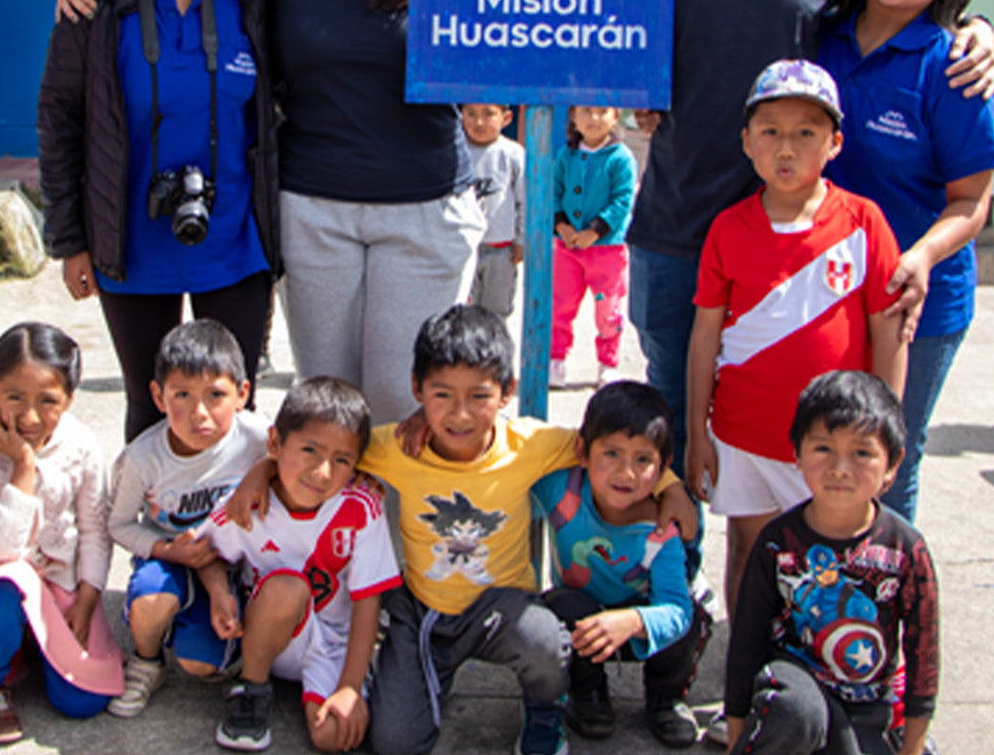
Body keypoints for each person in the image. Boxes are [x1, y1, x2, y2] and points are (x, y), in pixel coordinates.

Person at [610, 0, 994, 471]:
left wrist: (975, 28)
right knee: (672, 436)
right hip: (680, 227)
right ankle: (677, 579)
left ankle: (793, 581)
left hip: (803, 245)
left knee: (809, 446)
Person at [58, 0, 483, 426]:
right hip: (316, 209)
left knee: (403, 403)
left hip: (423, 207)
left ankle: (388, 531)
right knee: (326, 404)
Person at [225, 304, 698, 755]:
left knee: (542, 637)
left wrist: (671, 484)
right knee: (394, 743)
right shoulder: (395, 447)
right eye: (442, 395)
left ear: (507, 391)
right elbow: (319, 449)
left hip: (502, 607)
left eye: (479, 396)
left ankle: (546, 711)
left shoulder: (531, 444)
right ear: (417, 388)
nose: (460, 414)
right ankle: (428, 676)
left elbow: (611, 444)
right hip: (425, 609)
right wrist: (263, 469)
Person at [38, 0, 279, 443]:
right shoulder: (91, 1)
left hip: (235, 241)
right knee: (153, 413)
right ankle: (154, 538)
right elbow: (60, 118)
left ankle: (231, 540)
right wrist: (70, 239)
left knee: (230, 413)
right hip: (130, 239)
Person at [687, 59, 906, 629]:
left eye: (806, 132)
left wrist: (880, 428)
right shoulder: (728, 229)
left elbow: (888, 328)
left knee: (831, 563)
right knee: (750, 553)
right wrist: (696, 433)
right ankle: (748, 665)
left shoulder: (864, 222)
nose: (787, 148)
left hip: (834, 443)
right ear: (747, 143)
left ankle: (822, 663)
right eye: (771, 132)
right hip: (743, 431)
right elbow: (705, 335)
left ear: (835, 143)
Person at [819, 0, 994, 524]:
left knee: (887, 456)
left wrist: (918, 258)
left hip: (916, 298)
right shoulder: (823, 37)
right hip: (828, 289)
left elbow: (973, 199)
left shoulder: (953, 65)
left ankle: (883, 603)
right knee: (820, 450)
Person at [723, 371, 939, 755]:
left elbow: (923, 652)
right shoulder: (776, 543)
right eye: (823, 448)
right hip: (796, 691)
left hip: (869, 703)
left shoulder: (906, 550)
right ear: (797, 453)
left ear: (892, 464)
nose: (840, 468)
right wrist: (739, 734)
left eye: (861, 453)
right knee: (795, 710)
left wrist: (914, 745)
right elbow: (746, 641)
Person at [194, 376, 400, 752]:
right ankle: (252, 691)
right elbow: (205, 552)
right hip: (267, 637)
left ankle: (316, 688)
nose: (323, 472)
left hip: (332, 640)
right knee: (288, 588)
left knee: (336, 737)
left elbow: (367, 598)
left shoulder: (362, 506)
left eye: (342, 460)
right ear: (275, 443)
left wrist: (351, 687)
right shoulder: (247, 504)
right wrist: (219, 591)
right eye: (309, 450)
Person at [0, 322, 123, 745]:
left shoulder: (80, 444)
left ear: (70, 400)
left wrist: (89, 595)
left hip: (58, 578)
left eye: (48, 401)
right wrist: (22, 465)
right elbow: (1, 547)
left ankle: (35, 641)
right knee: (11, 583)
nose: (30, 416)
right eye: (14, 398)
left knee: (82, 702)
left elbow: (94, 528)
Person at [105, 318, 272, 718]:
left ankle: (202, 625)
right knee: (152, 598)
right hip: (171, 557)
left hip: (234, 564)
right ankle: (147, 660)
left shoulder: (260, 437)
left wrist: (265, 468)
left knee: (202, 665)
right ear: (158, 397)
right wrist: (166, 549)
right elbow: (119, 524)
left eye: (216, 394)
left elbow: (302, 457)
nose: (200, 413)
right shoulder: (143, 457)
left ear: (242, 394)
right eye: (182, 395)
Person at [536, 381, 710, 747]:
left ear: (664, 467)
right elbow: (507, 448)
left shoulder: (661, 529)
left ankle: (666, 699)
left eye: (643, 460)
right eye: (611, 453)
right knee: (561, 606)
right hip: (584, 621)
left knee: (693, 617)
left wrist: (633, 622)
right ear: (582, 450)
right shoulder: (560, 488)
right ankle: (589, 695)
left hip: (640, 625)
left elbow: (676, 610)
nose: (626, 473)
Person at [550, 105, 637, 390]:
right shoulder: (566, 155)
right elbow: (554, 192)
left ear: (616, 116)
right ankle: (555, 360)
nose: (594, 118)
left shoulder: (621, 157)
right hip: (567, 248)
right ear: (573, 116)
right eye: (586, 111)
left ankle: (608, 363)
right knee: (560, 305)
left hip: (606, 250)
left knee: (608, 310)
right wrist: (561, 225)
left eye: (603, 111)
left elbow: (622, 201)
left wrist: (594, 231)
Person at [462, 102, 525, 322]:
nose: (479, 122)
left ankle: (494, 355)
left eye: (488, 114)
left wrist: (521, 239)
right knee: (463, 310)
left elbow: (523, 200)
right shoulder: (457, 150)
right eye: (471, 114)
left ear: (506, 118)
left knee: (496, 312)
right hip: (463, 247)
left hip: (501, 248)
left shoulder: (512, 153)